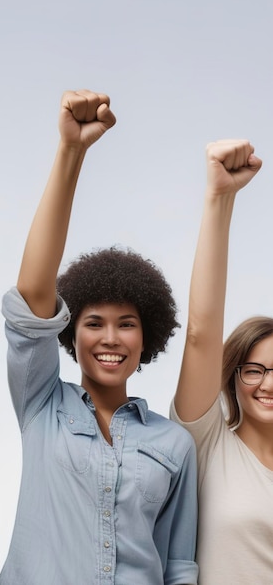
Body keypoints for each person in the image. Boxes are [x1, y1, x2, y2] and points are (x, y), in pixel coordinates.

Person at [0, 90, 198, 584]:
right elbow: (31, 297)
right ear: (71, 331)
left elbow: (177, 564)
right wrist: (71, 153)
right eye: (94, 323)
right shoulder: (42, 403)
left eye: (126, 323)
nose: (111, 338)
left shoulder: (174, 444)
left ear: (146, 335)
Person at [171, 139, 268, 583]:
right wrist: (220, 199)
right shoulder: (208, 444)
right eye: (255, 369)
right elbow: (201, 332)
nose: (268, 384)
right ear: (232, 377)